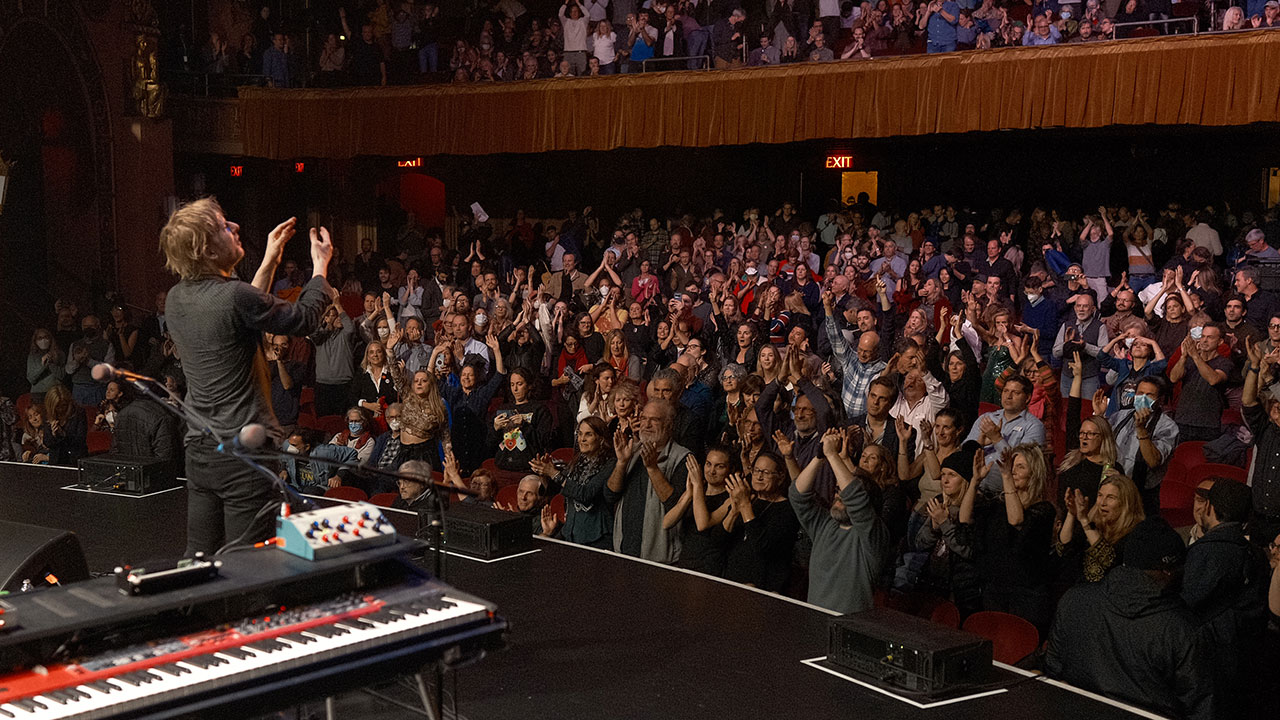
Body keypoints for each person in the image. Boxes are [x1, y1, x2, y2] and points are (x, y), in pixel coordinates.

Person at [159, 197, 332, 555]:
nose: (236, 227)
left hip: (200, 449)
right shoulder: (234, 297)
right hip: (244, 452)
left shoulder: (176, 299)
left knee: (200, 558)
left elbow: (239, 307)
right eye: (224, 226)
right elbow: (305, 318)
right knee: (247, 563)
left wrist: (270, 259)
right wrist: (320, 268)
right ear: (207, 251)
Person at [1046, 517, 1214, 720]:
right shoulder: (1182, 628)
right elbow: (1201, 706)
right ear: (1168, 570)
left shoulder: (1074, 599)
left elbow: (1053, 671)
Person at [1181, 480, 1269, 717]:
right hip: (1246, 667)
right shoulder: (1256, 555)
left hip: (1211, 667)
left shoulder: (1208, 552)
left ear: (1209, 507)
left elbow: (1187, 605)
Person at [605, 399, 690, 563]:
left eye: (654, 420)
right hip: (624, 550)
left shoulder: (682, 458)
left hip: (659, 560)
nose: (647, 425)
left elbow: (676, 505)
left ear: (668, 425)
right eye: (644, 418)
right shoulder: (631, 450)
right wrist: (621, 463)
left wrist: (652, 468)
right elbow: (610, 495)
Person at [533, 416, 616, 548]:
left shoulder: (610, 463)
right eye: (580, 434)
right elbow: (556, 488)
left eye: (588, 435)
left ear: (601, 439)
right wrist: (544, 474)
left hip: (596, 535)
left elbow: (586, 494)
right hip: (572, 531)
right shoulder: (578, 459)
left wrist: (553, 473)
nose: (582, 439)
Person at [723, 450, 799, 592]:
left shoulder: (787, 510)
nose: (758, 476)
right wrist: (733, 512)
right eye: (756, 470)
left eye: (765, 472)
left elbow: (762, 546)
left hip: (763, 588)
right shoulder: (748, 498)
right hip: (732, 581)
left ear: (781, 477)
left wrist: (745, 506)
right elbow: (719, 541)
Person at [967, 374, 1045, 492]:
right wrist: (979, 443)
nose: (1008, 396)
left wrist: (997, 439)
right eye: (1005, 391)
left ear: (1027, 398)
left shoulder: (1034, 426)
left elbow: (1021, 465)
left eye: (1015, 393)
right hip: (974, 487)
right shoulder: (986, 418)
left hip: (1007, 493)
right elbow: (964, 455)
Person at [1169, 323, 1231, 443]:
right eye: (1202, 336)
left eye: (1210, 337)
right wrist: (1183, 356)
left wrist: (1196, 356)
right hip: (1183, 420)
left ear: (1220, 342)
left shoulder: (1224, 363)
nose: (1204, 340)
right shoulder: (1189, 360)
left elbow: (1213, 379)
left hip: (1208, 424)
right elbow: (1173, 378)